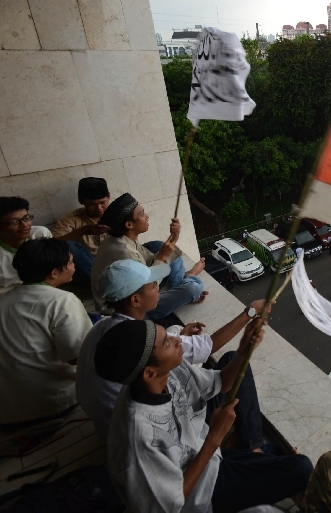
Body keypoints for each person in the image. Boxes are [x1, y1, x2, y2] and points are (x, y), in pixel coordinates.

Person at [93, 318, 316, 512]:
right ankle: (247, 461)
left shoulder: (168, 372)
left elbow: (222, 382)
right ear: (149, 372)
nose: (179, 340)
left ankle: (252, 451)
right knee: (301, 468)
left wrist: (244, 348)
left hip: (201, 445)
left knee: (233, 361)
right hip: (201, 490)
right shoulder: (138, 438)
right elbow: (170, 505)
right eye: (168, 342)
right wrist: (213, 440)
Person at [76, 259, 268, 443]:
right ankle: (254, 446)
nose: (158, 288)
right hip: (158, 432)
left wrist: (177, 335)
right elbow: (208, 346)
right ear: (135, 300)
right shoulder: (143, 342)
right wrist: (249, 313)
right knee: (233, 362)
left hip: (110, 430)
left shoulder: (101, 328)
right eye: (152, 286)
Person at [0, 239, 92, 426]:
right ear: (54, 272)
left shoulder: (4, 300)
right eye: (71, 261)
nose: (74, 266)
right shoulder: (62, 301)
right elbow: (79, 356)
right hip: (54, 403)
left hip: (8, 409)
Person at [91, 193, 206, 320]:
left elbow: (149, 261)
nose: (147, 217)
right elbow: (148, 285)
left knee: (159, 245)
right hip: (126, 309)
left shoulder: (121, 239)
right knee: (193, 288)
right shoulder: (125, 252)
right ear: (129, 225)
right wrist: (162, 256)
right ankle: (189, 278)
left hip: (133, 288)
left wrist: (173, 238)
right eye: (141, 214)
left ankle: (180, 286)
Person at [51, 178, 112, 285]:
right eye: (92, 204)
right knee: (69, 245)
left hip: (116, 261)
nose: (99, 208)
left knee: (152, 246)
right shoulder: (70, 219)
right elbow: (50, 245)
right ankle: (102, 284)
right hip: (89, 268)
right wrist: (81, 232)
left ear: (108, 197)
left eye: (103, 203)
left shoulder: (117, 214)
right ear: (82, 201)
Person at [0, 196, 53, 295]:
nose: (24, 224)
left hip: (44, 293)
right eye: (13, 222)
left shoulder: (40, 235)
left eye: (26, 218)